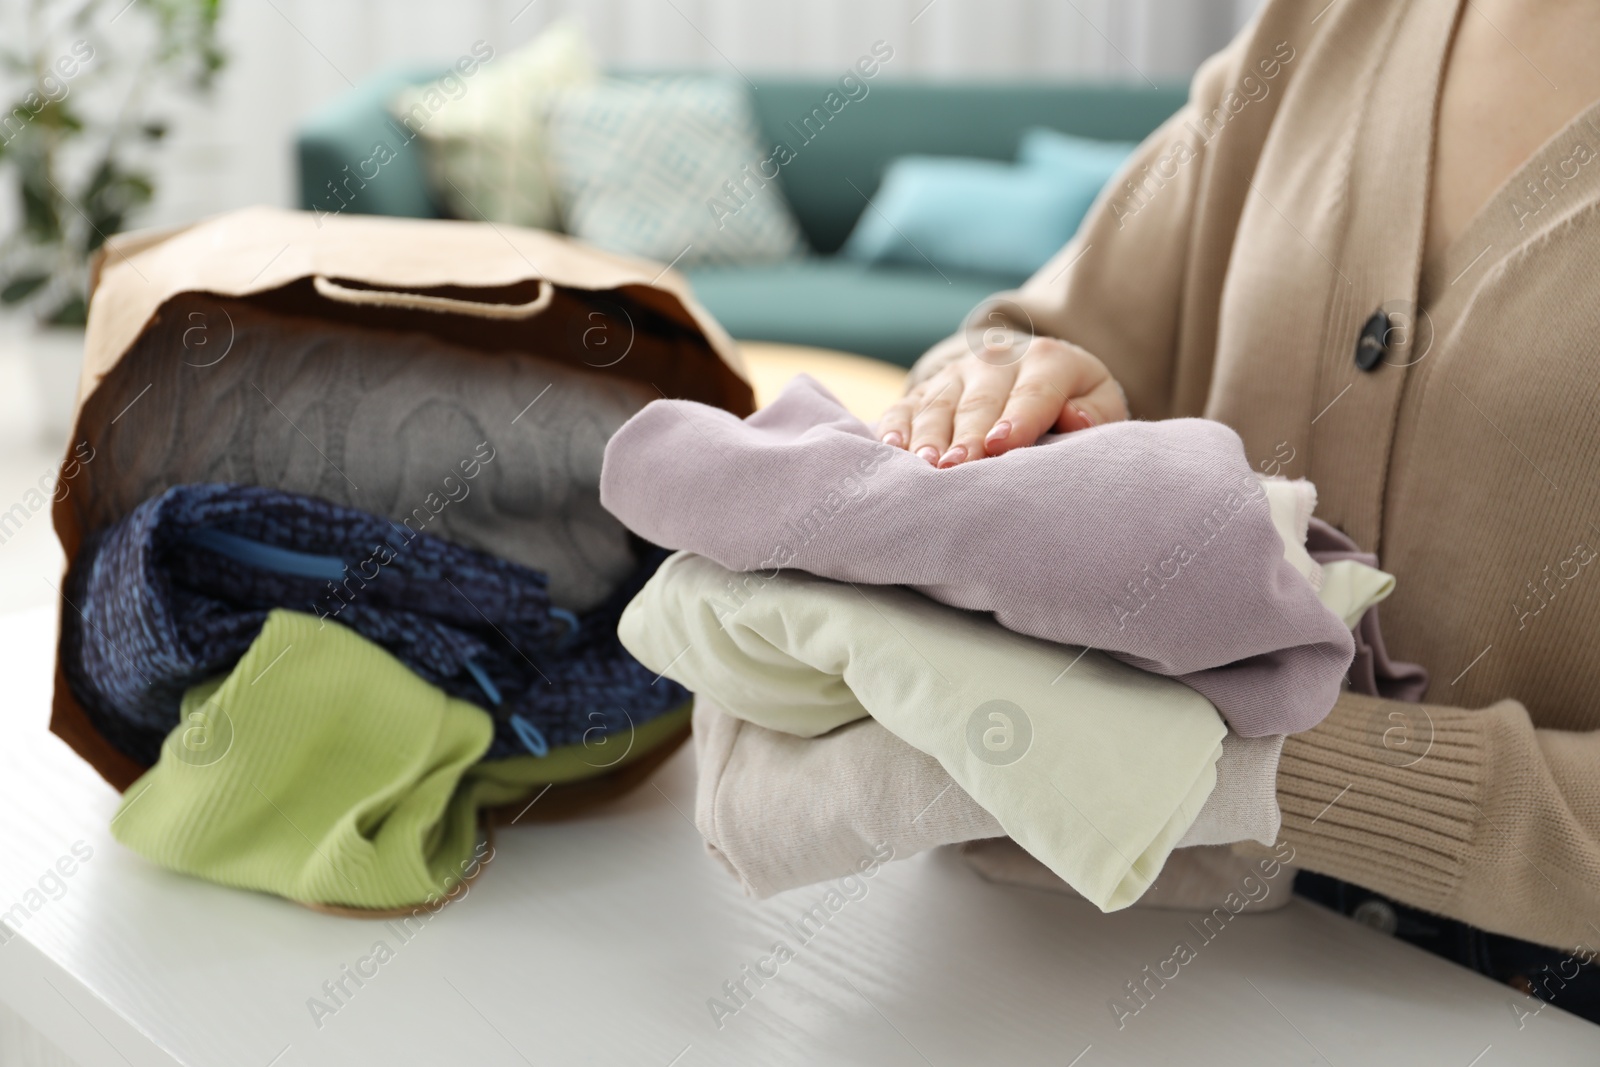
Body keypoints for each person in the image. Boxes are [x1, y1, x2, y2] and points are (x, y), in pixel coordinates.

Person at [879, 0, 1600, 1017]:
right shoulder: (1320, 25)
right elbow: (1013, 336)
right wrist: (1005, 400)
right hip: (1131, 972)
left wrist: (1222, 765)